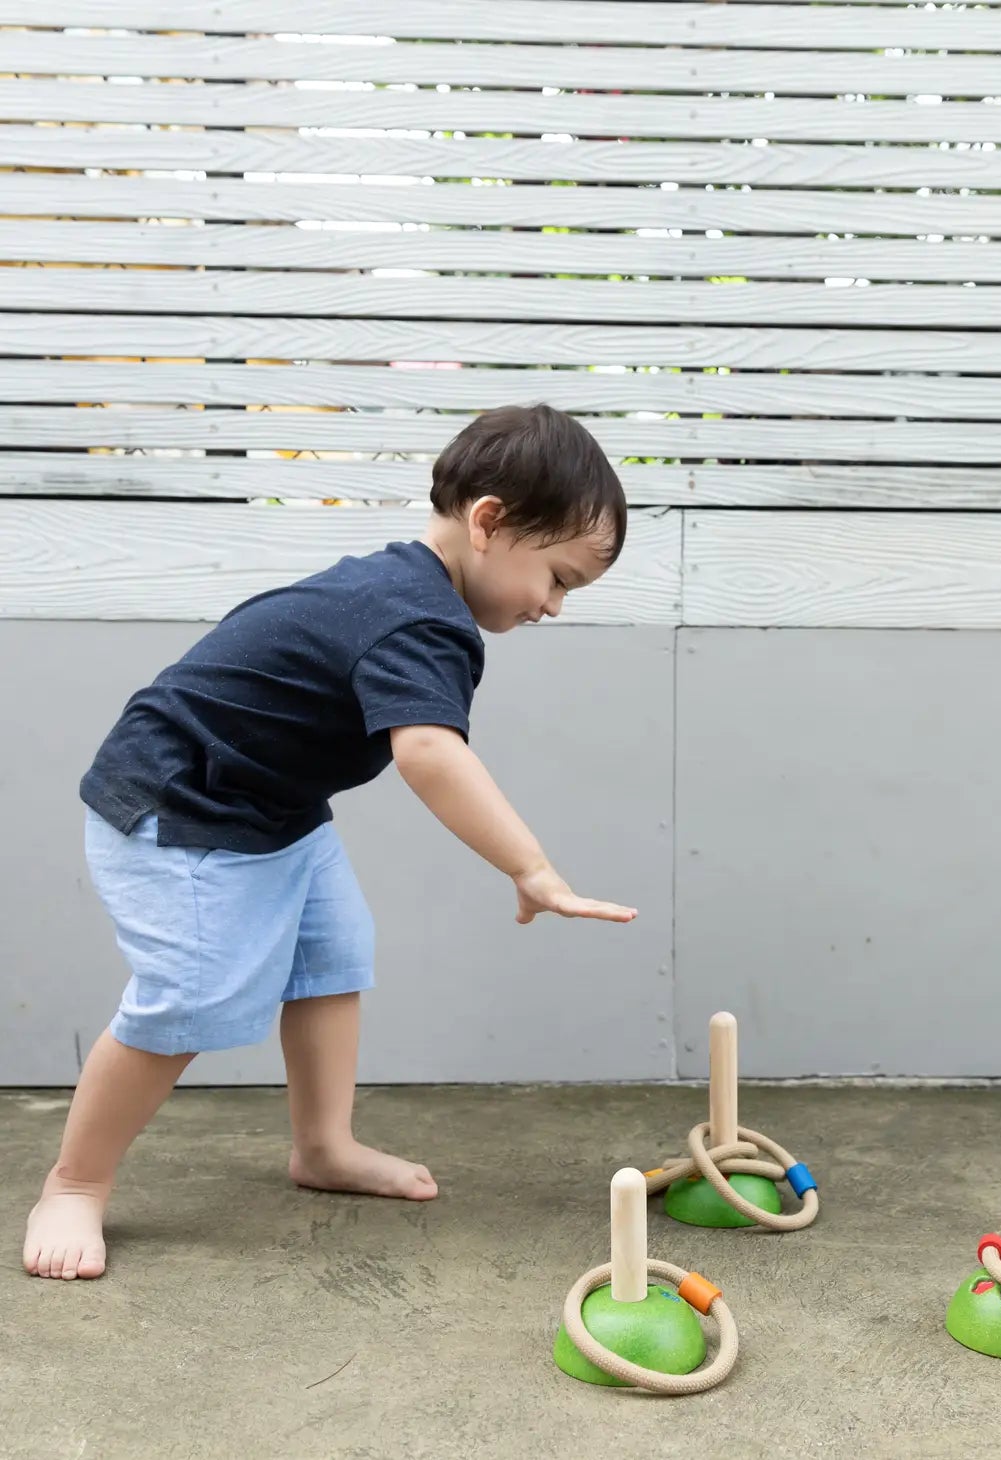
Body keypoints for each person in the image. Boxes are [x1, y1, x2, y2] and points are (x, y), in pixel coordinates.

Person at [23, 404, 637, 1281]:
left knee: (331, 956)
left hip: (271, 806)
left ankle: (323, 1147)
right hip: (179, 803)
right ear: (490, 522)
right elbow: (428, 750)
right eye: (560, 579)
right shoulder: (420, 619)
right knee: (189, 993)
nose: (555, 606)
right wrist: (530, 867)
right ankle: (75, 1182)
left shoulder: (407, 590)